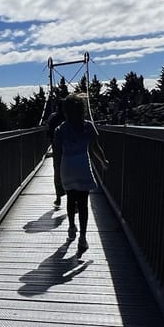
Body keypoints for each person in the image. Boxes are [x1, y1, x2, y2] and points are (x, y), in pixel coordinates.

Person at [52, 95, 107, 253]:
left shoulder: (60, 129)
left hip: (67, 167)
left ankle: (71, 227)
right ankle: (82, 238)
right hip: (82, 166)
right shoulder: (88, 126)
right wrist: (103, 161)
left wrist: (57, 171)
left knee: (71, 199)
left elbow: (57, 152)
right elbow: (95, 147)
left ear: (66, 111)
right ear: (82, 109)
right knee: (83, 203)